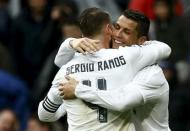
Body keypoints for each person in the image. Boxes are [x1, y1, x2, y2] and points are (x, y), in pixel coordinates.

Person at [38, 8, 171, 131]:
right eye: (116, 27)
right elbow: (164, 49)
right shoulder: (127, 58)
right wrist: (70, 43)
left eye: (126, 31)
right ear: (109, 29)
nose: (117, 34)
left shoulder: (66, 72)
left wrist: (77, 91)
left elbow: (44, 114)